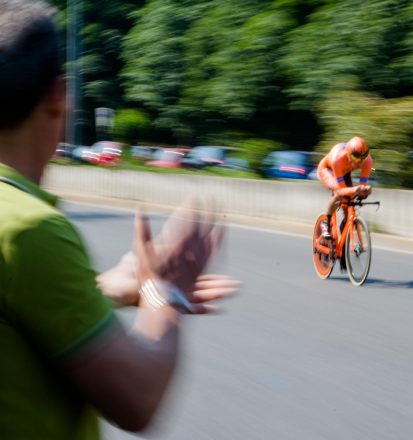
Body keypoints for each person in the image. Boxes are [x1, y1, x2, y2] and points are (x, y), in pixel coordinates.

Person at [0, 1, 239, 439]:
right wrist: (164, 292)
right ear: (58, 96)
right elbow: (137, 398)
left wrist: (104, 289)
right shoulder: (30, 230)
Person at [316, 136, 373, 239]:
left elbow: (362, 186)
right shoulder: (337, 159)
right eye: (355, 158)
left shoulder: (368, 161)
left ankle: (345, 227)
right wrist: (355, 190)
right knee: (339, 195)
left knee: (348, 203)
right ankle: (326, 222)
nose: (359, 162)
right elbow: (341, 190)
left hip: (344, 172)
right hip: (327, 170)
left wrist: (365, 191)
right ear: (348, 154)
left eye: (362, 159)